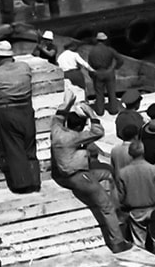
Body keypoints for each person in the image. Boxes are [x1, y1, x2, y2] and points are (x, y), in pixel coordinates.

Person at [49, 104, 127, 251]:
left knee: (109, 175)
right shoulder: (74, 137)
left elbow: (57, 117)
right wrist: (91, 113)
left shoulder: (57, 130)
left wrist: (67, 103)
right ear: (79, 126)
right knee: (106, 207)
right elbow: (98, 132)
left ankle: (118, 211)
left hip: (65, 174)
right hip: (79, 176)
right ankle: (117, 242)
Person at [0, 41, 42, 193]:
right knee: (29, 146)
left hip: (7, 112)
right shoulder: (24, 67)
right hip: (26, 110)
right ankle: (35, 182)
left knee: (14, 148)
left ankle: (22, 185)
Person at [116, 139, 155, 251]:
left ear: (130, 153)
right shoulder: (153, 170)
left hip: (135, 211)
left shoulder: (123, 172)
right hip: (154, 209)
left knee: (139, 243)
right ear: (143, 152)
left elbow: (121, 195)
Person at [84, 31, 122, 115]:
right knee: (112, 92)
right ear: (105, 40)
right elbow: (120, 60)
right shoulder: (109, 50)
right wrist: (115, 67)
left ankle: (100, 111)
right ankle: (113, 110)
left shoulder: (92, 51)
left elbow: (89, 65)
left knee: (99, 94)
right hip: (109, 72)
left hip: (98, 73)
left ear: (97, 40)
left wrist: (92, 75)